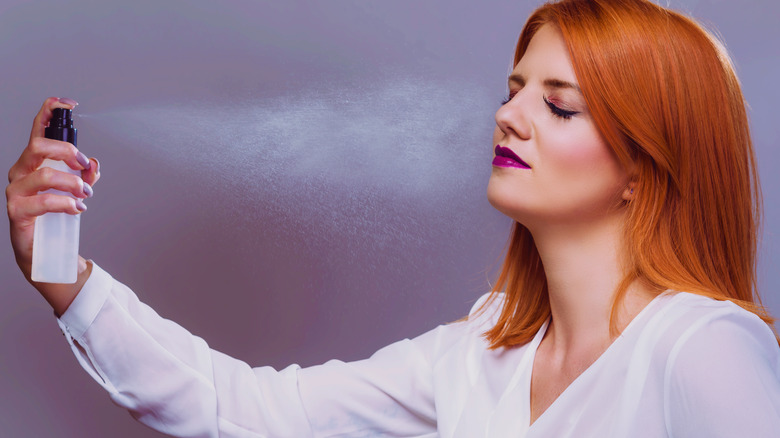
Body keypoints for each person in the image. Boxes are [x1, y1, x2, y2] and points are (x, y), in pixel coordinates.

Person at [6, 0, 780, 436]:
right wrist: (64, 274)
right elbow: (236, 408)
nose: (508, 115)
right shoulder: (482, 350)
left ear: (644, 170)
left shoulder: (697, 349)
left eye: (558, 104)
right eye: (513, 88)